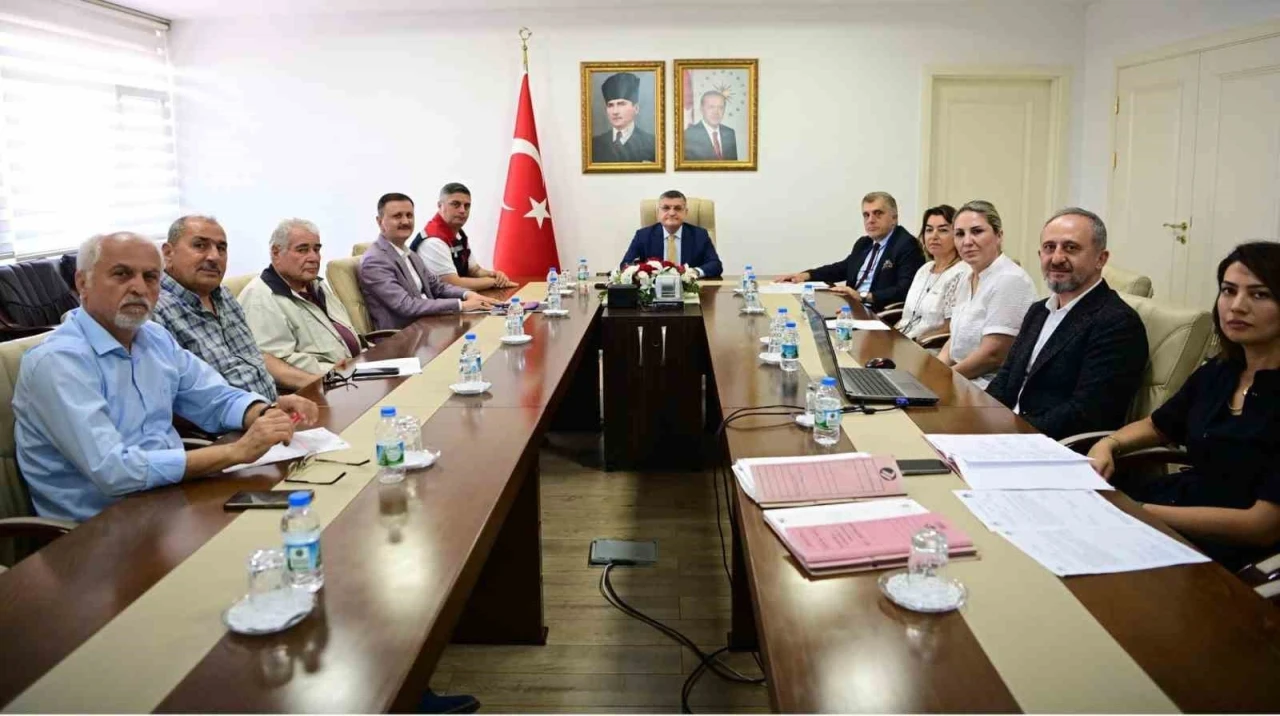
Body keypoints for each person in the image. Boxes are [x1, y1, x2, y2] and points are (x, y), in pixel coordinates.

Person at [12, 232, 317, 522]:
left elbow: (215, 397)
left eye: (150, 277)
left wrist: (263, 413)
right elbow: (114, 470)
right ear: (83, 283)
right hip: (101, 530)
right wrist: (235, 452)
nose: (139, 288)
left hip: (171, 502)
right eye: (121, 274)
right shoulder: (58, 362)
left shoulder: (153, 338)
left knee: (301, 516)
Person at [1088, 242, 1280, 570]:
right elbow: (1159, 425)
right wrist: (1109, 443)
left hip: (1228, 552)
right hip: (1173, 509)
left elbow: (1260, 526)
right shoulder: (1221, 371)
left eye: (1259, 294)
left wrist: (1141, 511)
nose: (1237, 306)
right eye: (1228, 291)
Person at [986, 208, 1148, 439]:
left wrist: (1008, 434)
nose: (1057, 258)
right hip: (1003, 433)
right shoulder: (1038, 311)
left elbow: (1086, 414)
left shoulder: (1117, 323)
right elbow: (1006, 378)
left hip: (1049, 445)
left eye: (1071, 248)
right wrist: (979, 418)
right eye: (1049, 247)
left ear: (1101, 259)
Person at [153, 215, 317, 400]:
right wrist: (258, 411)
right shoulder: (156, 312)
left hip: (273, 407)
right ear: (168, 253)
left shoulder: (224, 295)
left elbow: (254, 362)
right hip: (235, 417)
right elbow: (171, 401)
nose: (214, 256)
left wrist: (279, 403)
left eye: (221, 248)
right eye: (200, 245)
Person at [238, 218, 362, 376]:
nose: (314, 258)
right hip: (324, 382)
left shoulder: (316, 285)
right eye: (302, 250)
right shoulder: (260, 298)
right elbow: (276, 363)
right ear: (276, 253)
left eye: (316, 249)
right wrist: (334, 371)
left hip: (355, 369)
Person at [359, 193, 496, 331]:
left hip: (430, 325)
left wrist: (468, 295)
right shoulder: (374, 261)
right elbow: (406, 305)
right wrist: (461, 305)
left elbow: (438, 287)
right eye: (397, 216)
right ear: (380, 221)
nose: (405, 221)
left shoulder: (410, 254)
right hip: (404, 335)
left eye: (409, 215)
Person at [937, 200, 1037, 389]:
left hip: (987, 388)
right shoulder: (966, 277)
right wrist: (936, 371)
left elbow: (993, 355)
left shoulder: (1010, 279)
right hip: (960, 377)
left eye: (977, 231)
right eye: (960, 234)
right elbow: (955, 339)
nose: (967, 242)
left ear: (999, 236)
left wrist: (943, 378)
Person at [777, 191, 924, 310]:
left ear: (894, 218)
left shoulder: (907, 245)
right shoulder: (864, 243)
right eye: (866, 215)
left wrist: (863, 296)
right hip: (851, 308)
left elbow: (905, 289)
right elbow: (841, 268)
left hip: (877, 313)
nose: (870, 220)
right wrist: (806, 275)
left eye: (878, 213)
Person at [411, 183, 514, 292]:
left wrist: (495, 275)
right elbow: (453, 284)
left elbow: (474, 270)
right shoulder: (433, 241)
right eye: (455, 204)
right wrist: (494, 282)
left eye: (467, 206)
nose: (462, 210)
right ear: (440, 205)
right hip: (432, 301)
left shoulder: (458, 234)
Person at [895, 205, 967, 342]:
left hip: (928, 347)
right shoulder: (924, 269)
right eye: (929, 230)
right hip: (903, 338)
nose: (934, 236)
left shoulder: (962, 273)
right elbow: (907, 317)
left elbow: (951, 327)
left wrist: (915, 342)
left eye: (943, 230)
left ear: (957, 235)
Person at [620, 190, 723, 278]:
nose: (672, 213)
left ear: (686, 212)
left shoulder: (700, 235)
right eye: (666, 208)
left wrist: (694, 272)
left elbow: (715, 265)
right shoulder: (643, 236)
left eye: (677, 208)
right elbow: (626, 265)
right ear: (658, 212)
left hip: (690, 290)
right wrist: (644, 272)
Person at [590, 72, 656, 163]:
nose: (615, 111)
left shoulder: (652, 144)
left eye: (621, 104)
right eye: (610, 105)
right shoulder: (594, 144)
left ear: (636, 108)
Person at [683, 91, 738, 161]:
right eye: (711, 107)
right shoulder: (688, 135)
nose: (716, 112)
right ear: (701, 109)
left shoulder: (729, 133)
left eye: (720, 107)